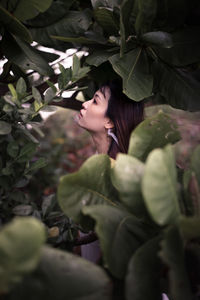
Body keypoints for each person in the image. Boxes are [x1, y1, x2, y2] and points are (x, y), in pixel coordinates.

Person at [74, 79, 144, 262]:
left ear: (109, 121)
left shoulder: (119, 177)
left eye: (95, 101)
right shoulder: (97, 164)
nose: (85, 103)